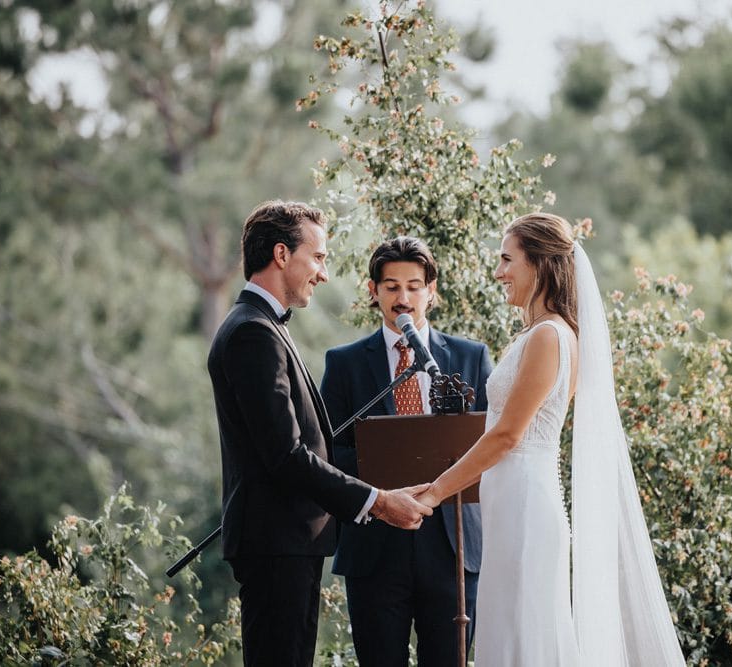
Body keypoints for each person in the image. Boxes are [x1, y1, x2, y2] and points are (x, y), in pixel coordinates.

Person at [415, 213, 686, 665]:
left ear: (538, 264)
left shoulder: (548, 336)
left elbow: (506, 435)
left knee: (525, 638)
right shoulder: (535, 334)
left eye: (507, 260)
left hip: (525, 506)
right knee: (510, 633)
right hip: (509, 505)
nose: (499, 272)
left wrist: (436, 490)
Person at [207, 201, 433, 667]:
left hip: (289, 545)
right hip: (276, 545)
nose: (324, 273)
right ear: (282, 255)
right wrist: (379, 501)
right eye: (319, 257)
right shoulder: (253, 333)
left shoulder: (264, 327)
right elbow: (287, 456)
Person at [320, 237, 493, 667]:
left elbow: (491, 443)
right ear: (373, 291)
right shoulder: (344, 364)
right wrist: (379, 484)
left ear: (431, 291)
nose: (404, 298)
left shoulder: (471, 357)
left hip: (452, 544)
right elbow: (326, 451)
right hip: (374, 548)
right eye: (392, 286)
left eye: (414, 286)